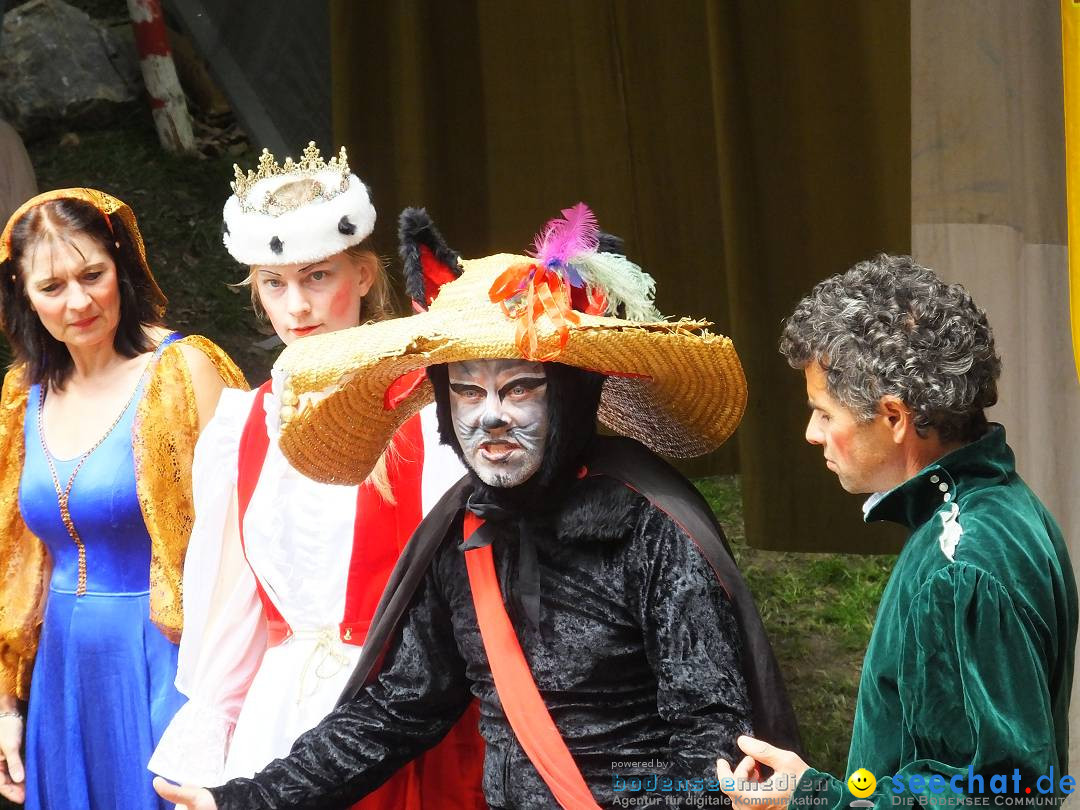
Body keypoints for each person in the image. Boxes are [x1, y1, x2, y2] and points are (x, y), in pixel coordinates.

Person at [155, 203, 800, 809]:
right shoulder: (462, 532)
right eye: (465, 392)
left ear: (571, 396)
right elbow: (398, 708)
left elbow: (711, 735)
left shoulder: (646, 525)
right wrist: (243, 799)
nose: (490, 416)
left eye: (519, 387)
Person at [147, 144, 480, 806]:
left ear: (362, 274)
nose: (296, 306)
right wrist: (213, 736)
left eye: (317, 277)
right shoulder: (242, 427)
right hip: (280, 719)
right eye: (274, 283)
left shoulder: (426, 409)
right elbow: (237, 613)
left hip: (402, 714)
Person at [716, 255, 1078, 809]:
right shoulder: (1002, 506)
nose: (811, 433)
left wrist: (811, 799)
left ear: (894, 417)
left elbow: (998, 797)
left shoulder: (961, 566)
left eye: (824, 413)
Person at [0, 187, 246, 809]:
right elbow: (9, 562)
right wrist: (5, 703)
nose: (78, 302)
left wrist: (222, 706)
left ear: (122, 266)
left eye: (92, 274)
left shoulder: (183, 371)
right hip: (60, 667)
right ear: (23, 296)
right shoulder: (20, 396)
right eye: (51, 287)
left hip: (168, 660)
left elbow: (241, 541)